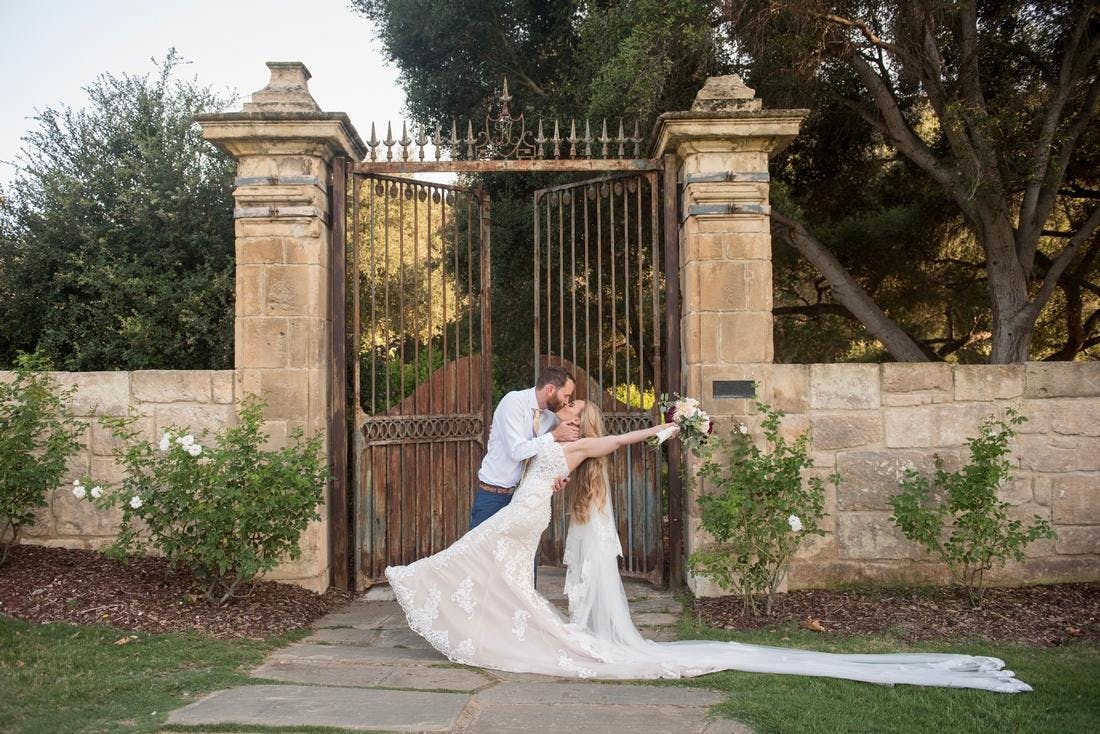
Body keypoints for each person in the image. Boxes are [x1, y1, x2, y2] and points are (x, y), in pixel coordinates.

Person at [386, 403, 1031, 693]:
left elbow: (619, 444)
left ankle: (448, 597)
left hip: (525, 519)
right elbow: (528, 450)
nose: (572, 420)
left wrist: (667, 427)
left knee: (474, 558)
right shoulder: (544, 438)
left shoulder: (577, 445)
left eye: (578, 417)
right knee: (478, 559)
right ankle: (466, 605)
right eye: (569, 414)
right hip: (525, 516)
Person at [470, 365, 580, 529]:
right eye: (566, 395)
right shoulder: (513, 402)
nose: (566, 401)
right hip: (494, 496)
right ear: (550, 389)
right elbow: (517, 451)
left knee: (520, 555)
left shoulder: (551, 417)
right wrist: (554, 435)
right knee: (480, 553)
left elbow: (549, 453)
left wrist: (558, 476)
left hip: (524, 499)